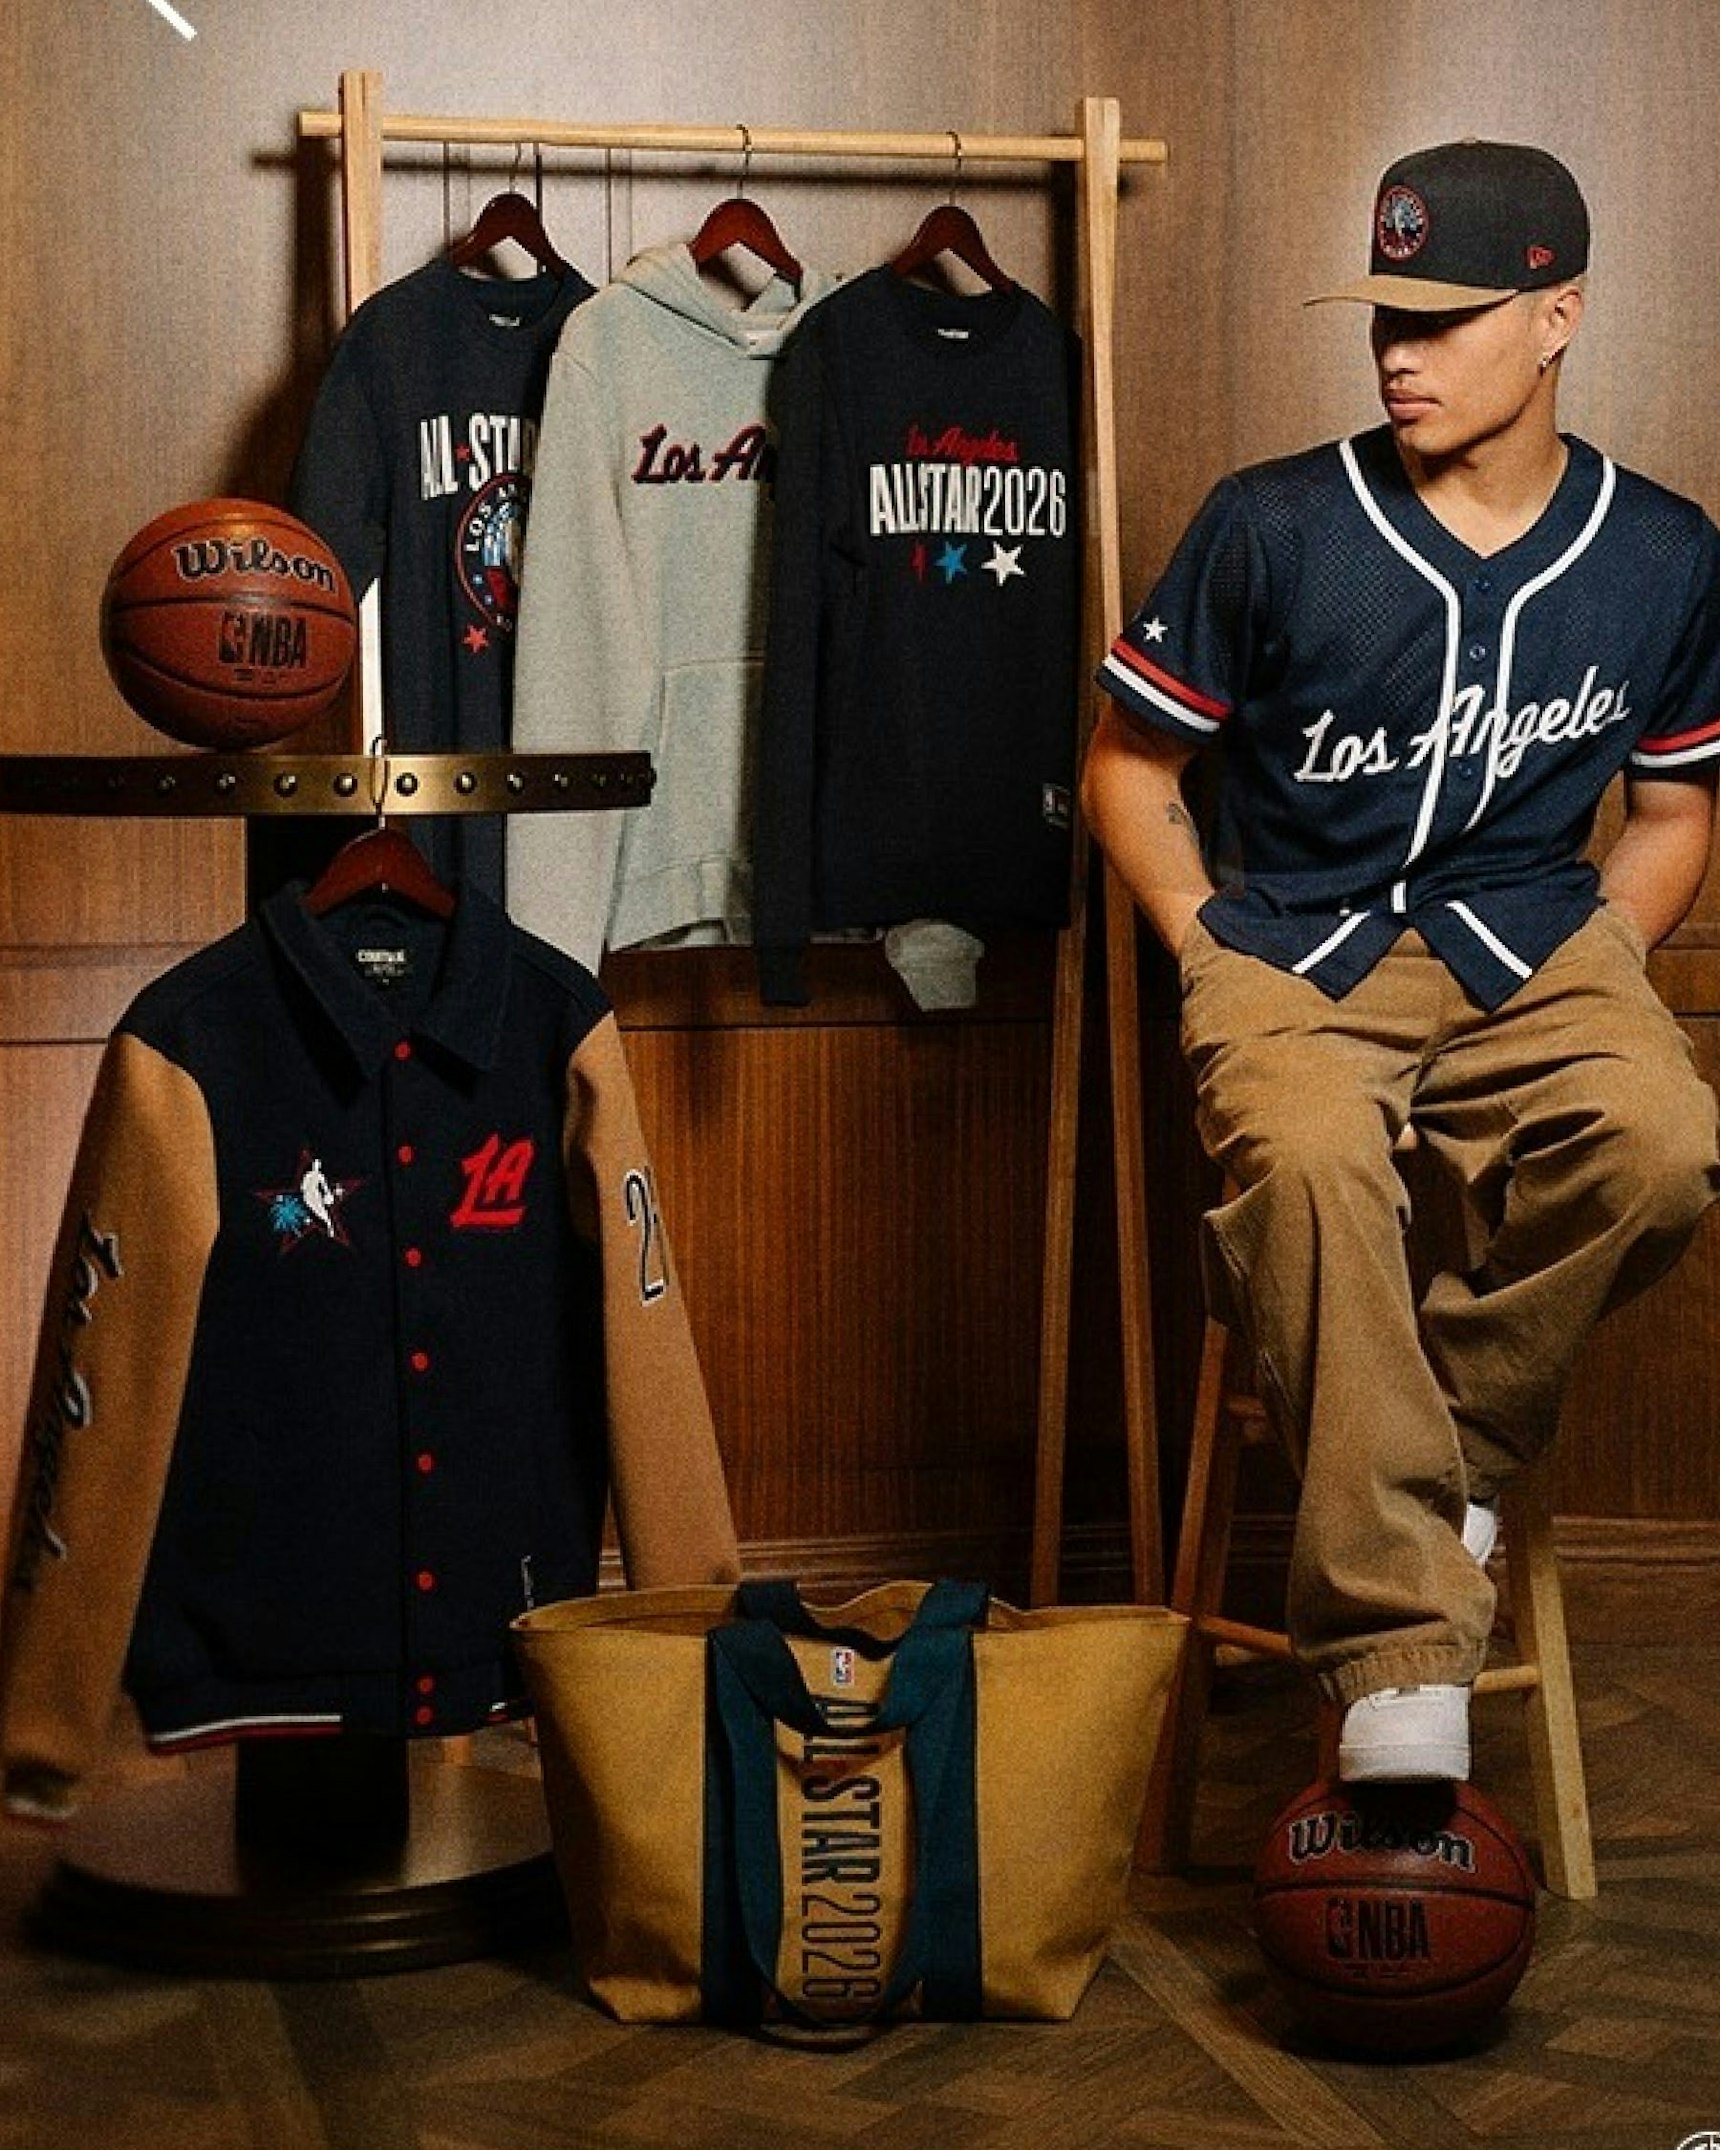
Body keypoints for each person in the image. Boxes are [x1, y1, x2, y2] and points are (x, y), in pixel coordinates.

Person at [1084, 139, 1720, 1783]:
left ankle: (1439, 1460)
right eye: (1386, 314)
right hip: (1296, 944)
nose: (1398, 351)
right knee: (1306, 1164)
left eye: (1444, 316)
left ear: (1558, 314)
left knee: (1664, 1143)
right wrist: (1205, 943)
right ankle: (1397, 1652)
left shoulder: (1662, 549)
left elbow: (1672, 811)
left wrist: (1604, 959)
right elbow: (1129, 770)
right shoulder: (1275, 521)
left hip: (1532, 939)